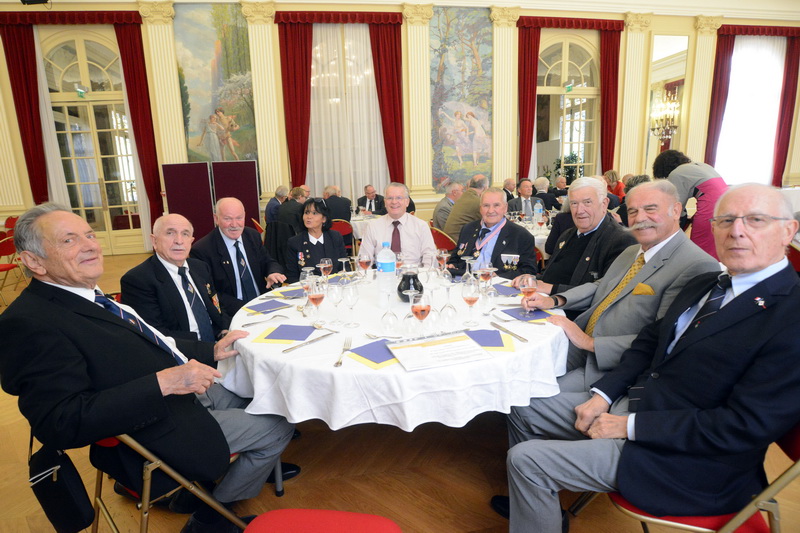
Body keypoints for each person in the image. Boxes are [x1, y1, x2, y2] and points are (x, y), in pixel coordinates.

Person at [498, 184, 800, 533]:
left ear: (788, 231)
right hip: (639, 404)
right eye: (726, 220)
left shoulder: (790, 316)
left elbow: (743, 426)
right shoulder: (710, 284)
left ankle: (540, 490)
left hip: (689, 461)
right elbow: (648, 343)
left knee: (526, 461)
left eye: (756, 220)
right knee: (520, 406)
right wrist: (604, 396)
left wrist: (628, 425)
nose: (737, 231)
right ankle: (541, 506)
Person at [0, 204, 297, 533]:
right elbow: (60, 422)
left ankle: (197, 492)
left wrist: (209, 350)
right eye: (69, 240)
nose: (90, 246)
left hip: (177, 394)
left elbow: (151, 340)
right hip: (157, 426)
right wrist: (165, 382)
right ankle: (212, 517)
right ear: (33, 261)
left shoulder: (84, 295)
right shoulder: (29, 322)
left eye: (89, 235)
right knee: (279, 425)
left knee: (263, 398)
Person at [520, 177, 635, 304]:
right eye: (574, 203)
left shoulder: (620, 240)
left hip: (570, 311)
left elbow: (605, 294)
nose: (579, 211)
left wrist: (551, 290)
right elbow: (551, 273)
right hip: (541, 301)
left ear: (604, 204)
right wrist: (531, 279)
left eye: (587, 202)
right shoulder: (568, 234)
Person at [121, 214, 231, 343]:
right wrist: (210, 348)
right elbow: (155, 334)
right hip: (184, 350)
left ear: (191, 241)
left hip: (219, 340)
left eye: (185, 234)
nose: (179, 241)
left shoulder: (200, 267)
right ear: (154, 241)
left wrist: (224, 329)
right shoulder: (138, 280)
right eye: (170, 233)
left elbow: (216, 305)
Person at [191, 198, 286, 315]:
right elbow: (211, 293)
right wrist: (248, 308)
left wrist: (273, 272)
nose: (234, 224)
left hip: (263, 302)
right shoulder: (202, 250)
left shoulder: (252, 236)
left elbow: (268, 261)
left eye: (239, 218)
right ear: (216, 219)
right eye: (227, 219)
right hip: (233, 312)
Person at [447, 188, 538, 279]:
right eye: (486, 205)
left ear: (505, 208)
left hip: (497, 285)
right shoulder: (468, 229)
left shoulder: (521, 236)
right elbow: (455, 258)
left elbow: (529, 271)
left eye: (496, 205)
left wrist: (499, 276)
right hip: (466, 282)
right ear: (480, 208)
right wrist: (452, 265)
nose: (490, 211)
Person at [653, 149, 728, 260]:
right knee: (715, 248)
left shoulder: (676, 173)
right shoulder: (703, 166)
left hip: (710, 208)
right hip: (726, 205)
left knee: (698, 249)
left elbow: (675, 208)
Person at [358, 182, 436, 265]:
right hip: (383, 272)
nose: (394, 202)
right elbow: (364, 257)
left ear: (407, 202)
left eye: (399, 198)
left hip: (413, 271)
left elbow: (430, 257)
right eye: (390, 198)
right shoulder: (373, 226)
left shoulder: (421, 226)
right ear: (385, 202)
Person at [284, 198, 347, 283]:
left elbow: (345, 266)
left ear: (324, 219)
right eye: (306, 212)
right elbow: (292, 276)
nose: (309, 217)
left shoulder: (335, 237)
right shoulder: (295, 242)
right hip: (309, 288)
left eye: (315, 213)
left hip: (334, 285)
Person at [443, 174, 489, 242]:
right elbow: (489, 223)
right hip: (459, 241)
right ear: (485, 188)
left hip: (448, 240)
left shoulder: (462, 197)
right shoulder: (477, 201)